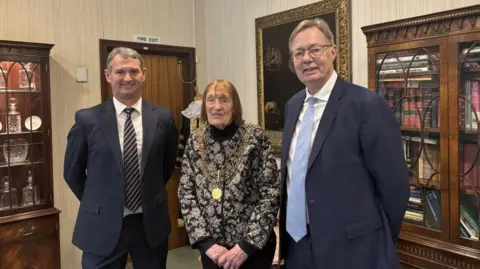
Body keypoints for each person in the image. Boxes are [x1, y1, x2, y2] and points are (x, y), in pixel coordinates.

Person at [279, 18, 410, 269]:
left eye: (315, 49)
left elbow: (395, 186)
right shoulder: (292, 105)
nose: (307, 58)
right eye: (299, 53)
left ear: (333, 52)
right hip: (298, 246)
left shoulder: (366, 105)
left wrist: (377, 237)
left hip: (353, 251)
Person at [64, 47, 178, 269]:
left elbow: (166, 167)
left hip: (149, 225)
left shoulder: (163, 118)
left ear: (143, 74)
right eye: (120, 72)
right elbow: (72, 172)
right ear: (108, 76)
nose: (128, 78)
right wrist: (101, 201)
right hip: (102, 224)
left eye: (134, 72)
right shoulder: (87, 120)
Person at [178, 79, 281, 269]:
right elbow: (186, 193)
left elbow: (270, 192)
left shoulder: (255, 137)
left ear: (235, 105)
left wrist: (245, 246)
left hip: (252, 250)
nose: (217, 106)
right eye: (211, 100)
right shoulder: (195, 140)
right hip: (212, 250)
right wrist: (206, 243)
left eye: (224, 100)